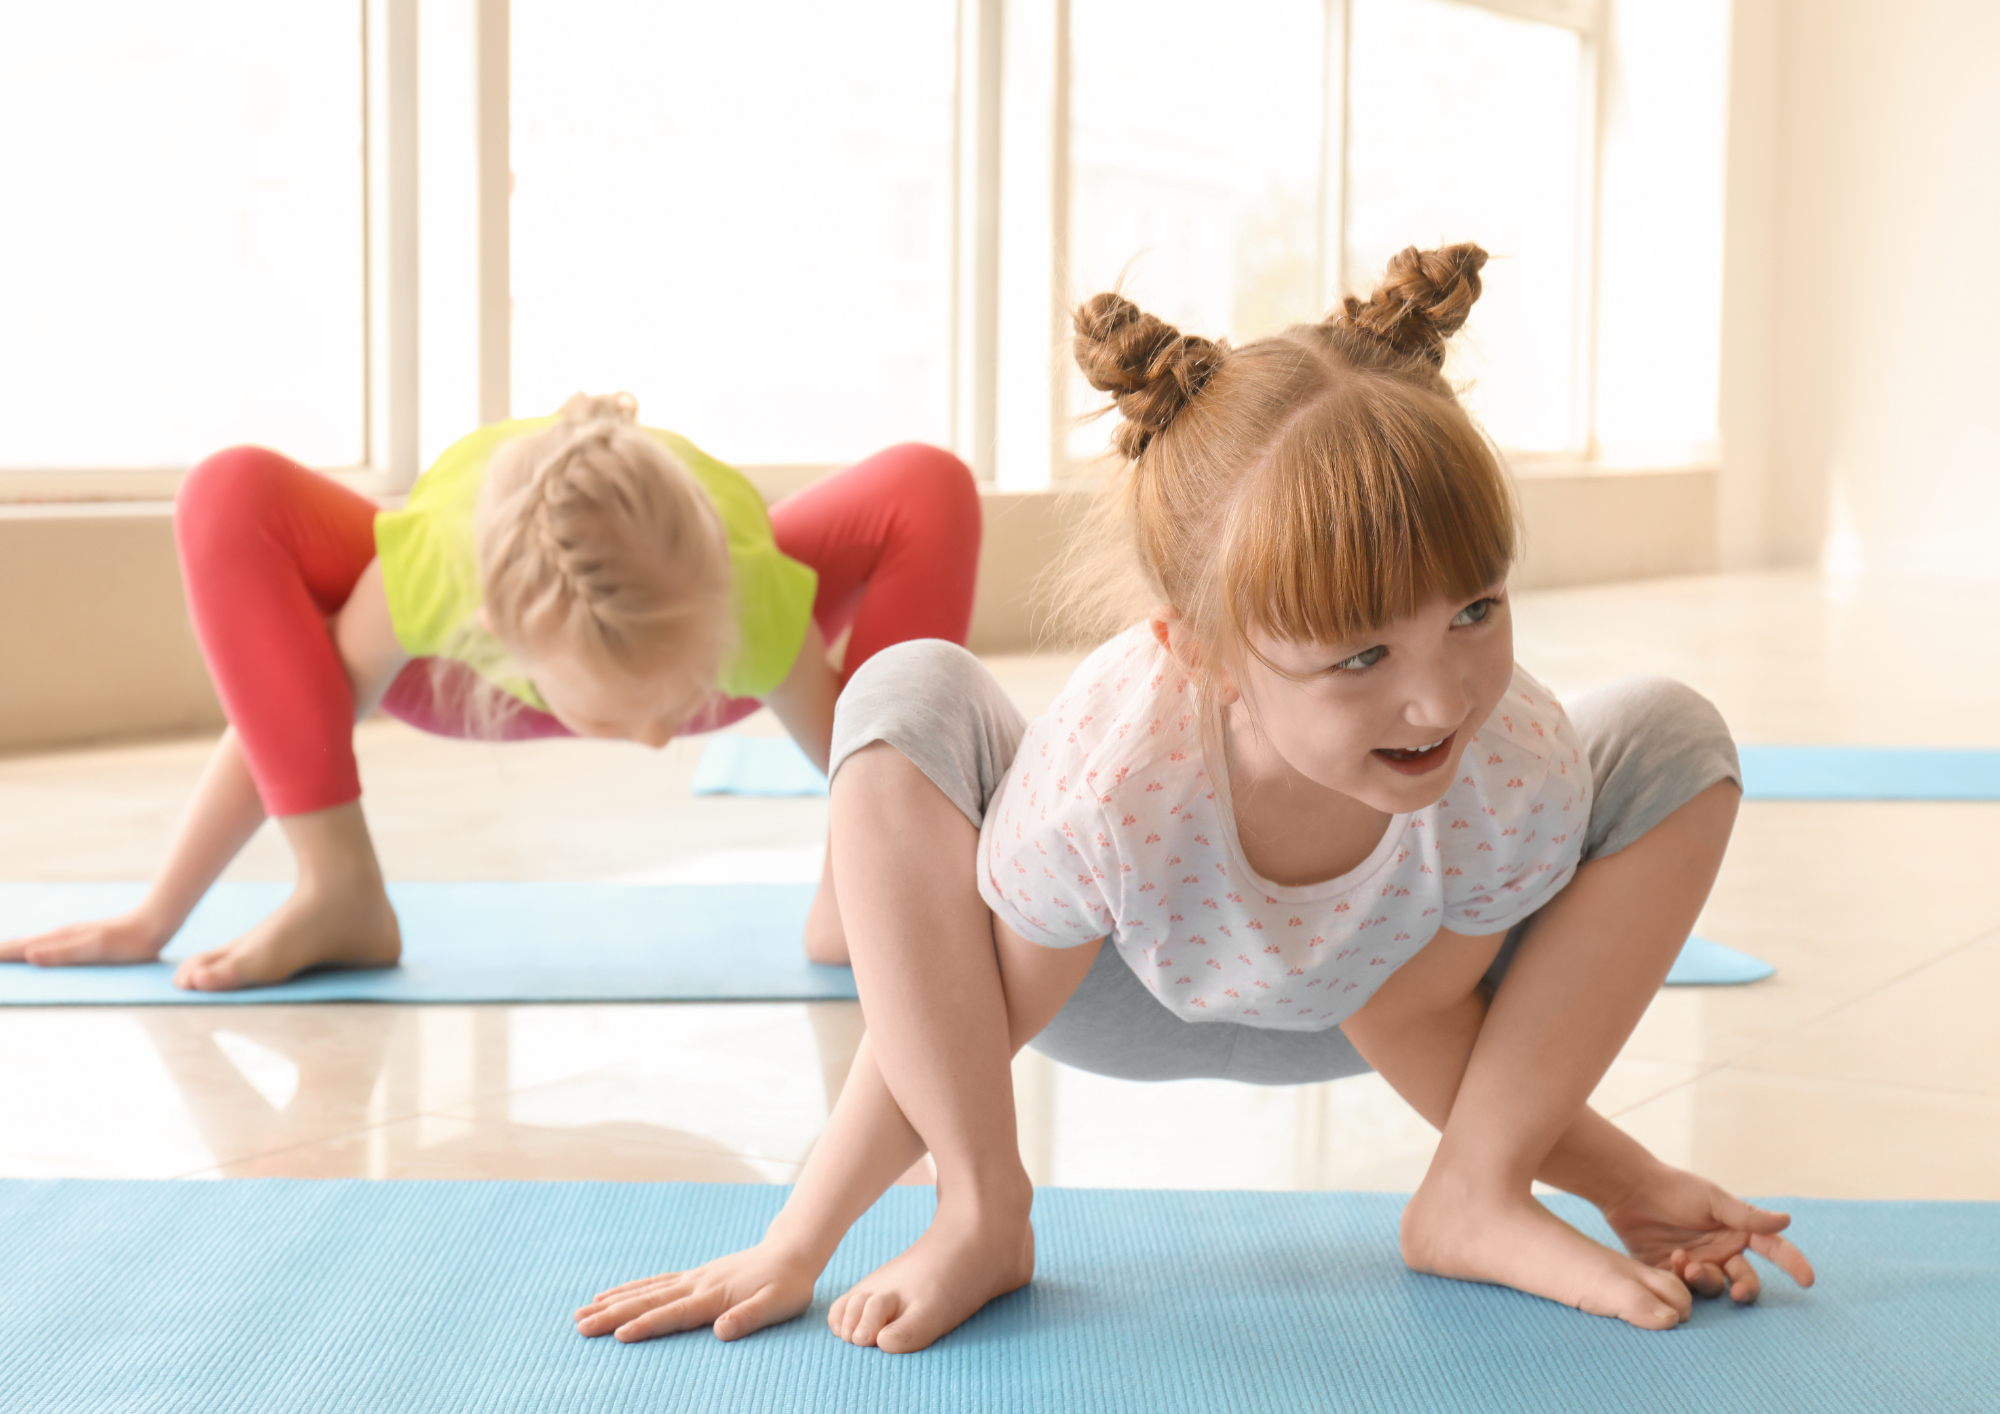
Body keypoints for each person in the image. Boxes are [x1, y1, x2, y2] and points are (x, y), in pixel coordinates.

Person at [570, 245, 1815, 1353]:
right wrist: (797, 1241)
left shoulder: (1509, 753)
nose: (1439, 698)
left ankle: (1468, 1202)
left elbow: (1424, 1006)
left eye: (1474, 612)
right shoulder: (1116, 778)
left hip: (1373, 997)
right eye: (1360, 656)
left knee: (1671, 735)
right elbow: (968, 1009)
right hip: (1100, 978)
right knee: (902, 690)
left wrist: (1622, 1176)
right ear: (1203, 653)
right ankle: (983, 1211)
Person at [0, 395, 979, 988]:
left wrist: (892, 893)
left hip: (709, 645)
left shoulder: (747, 605)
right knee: (226, 488)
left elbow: (865, 765)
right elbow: (294, 715)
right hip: (453, 682)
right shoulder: (437, 575)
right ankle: (338, 890)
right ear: (500, 629)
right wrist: (154, 916)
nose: (648, 743)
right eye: (620, 713)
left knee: (928, 481)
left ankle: (847, 901)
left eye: (665, 708)